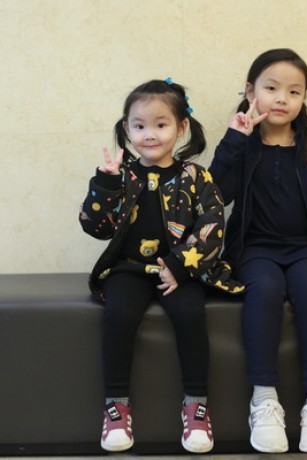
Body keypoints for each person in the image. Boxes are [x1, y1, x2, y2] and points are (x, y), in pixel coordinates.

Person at [79, 78, 243, 453]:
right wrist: (104, 185)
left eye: (160, 124)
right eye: (139, 126)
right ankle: (116, 407)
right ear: (127, 129)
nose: (149, 134)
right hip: (129, 269)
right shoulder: (120, 176)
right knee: (119, 314)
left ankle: (196, 406)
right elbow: (95, 227)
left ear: (181, 127)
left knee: (190, 314)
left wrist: (179, 265)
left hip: (181, 270)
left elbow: (212, 226)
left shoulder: (196, 177)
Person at [209, 49, 307, 453]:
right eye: (272, 88)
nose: (282, 99)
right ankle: (264, 399)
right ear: (250, 92)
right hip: (255, 249)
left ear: (303, 98)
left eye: (294, 91)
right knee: (266, 289)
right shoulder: (243, 145)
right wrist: (234, 140)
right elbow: (214, 195)